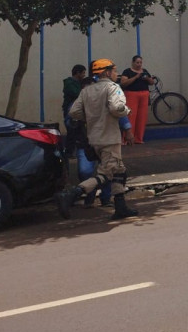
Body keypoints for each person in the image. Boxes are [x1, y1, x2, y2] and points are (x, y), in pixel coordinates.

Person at [57, 59, 138, 221]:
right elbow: (116, 108)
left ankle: (120, 206)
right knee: (106, 174)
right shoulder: (112, 88)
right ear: (106, 72)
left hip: (93, 138)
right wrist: (126, 110)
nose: (116, 74)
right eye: (114, 70)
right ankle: (71, 194)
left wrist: (92, 117)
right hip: (109, 138)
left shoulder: (87, 90)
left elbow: (74, 112)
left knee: (119, 171)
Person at [119, 55, 157, 144]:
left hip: (144, 94)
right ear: (133, 63)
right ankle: (127, 138)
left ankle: (138, 138)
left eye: (140, 62)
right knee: (131, 115)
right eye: (137, 62)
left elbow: (152, 82)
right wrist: (136, 77)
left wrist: (147, 78)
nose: (139, 64)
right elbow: (123, 83)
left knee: (142, 117)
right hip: (131, 94)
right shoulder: (127, 71)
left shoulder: (145, 71)